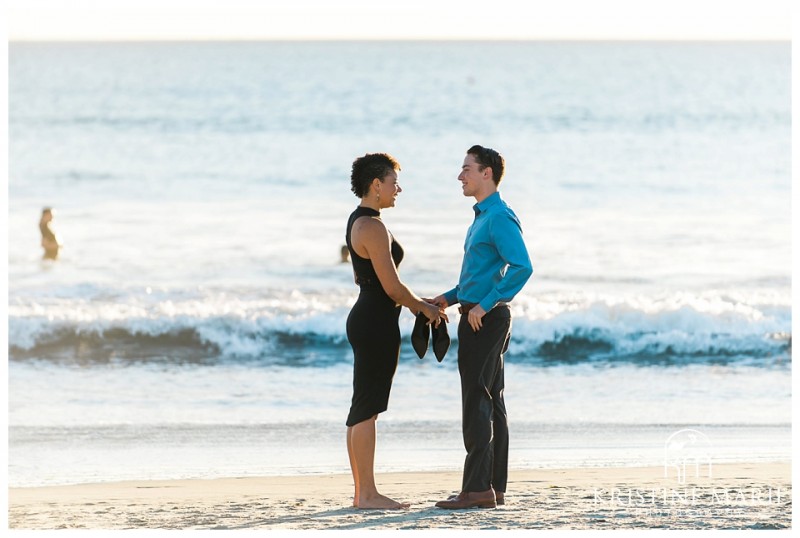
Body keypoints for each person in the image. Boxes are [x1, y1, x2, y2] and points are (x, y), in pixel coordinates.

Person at [429, 145, 533, 509]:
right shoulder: (482, 217)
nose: (461, 175)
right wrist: (448, 298)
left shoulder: (498, 217)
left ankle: (476, 489)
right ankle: (493, 487)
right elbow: (478, 278)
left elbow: (522, 266)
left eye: (466, 168)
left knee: (477, 402)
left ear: (486, 173)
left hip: (484, 320)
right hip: (477, 313)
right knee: (492, 401)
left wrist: (485, 305)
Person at [344, 152, 446, 509]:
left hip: (369, 318)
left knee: (362, 407)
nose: (397, 189)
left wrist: (421, 301)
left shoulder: (360, 220)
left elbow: (389, 284)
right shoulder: (372, 226)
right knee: (367, 408)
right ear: (376, 185)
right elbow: (391, 287)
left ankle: (362, 493)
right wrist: (424, 308)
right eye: (393, 182)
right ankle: (368, 494)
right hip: (375, 321)